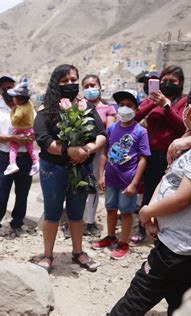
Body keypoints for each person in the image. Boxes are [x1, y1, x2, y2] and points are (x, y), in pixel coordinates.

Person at [108, 79, 191, 316]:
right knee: (179, 296)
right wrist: (152, 215)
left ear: (189, 110)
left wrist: (147, 212)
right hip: (175, 242)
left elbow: (183, 198)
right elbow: (169, 180)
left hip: (177, 248)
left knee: (135, 300)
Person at [33, 64, 106, 273]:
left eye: (74, 80)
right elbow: (44, 140)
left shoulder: (86, 107)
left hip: (80, 169)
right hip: (53, 169)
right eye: (65, 81)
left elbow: (101, 134)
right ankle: (48, 255)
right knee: (52, 212)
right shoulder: (47, 109)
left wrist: (87, 148)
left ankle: (78, 251)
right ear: (56, 84)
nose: (70, 84)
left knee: (76, 212)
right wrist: (69, 151)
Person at [130, 65, 187, 245]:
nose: (168, 84)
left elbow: (183, 126)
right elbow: (135, 117)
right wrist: (152, 104)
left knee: (168, 194)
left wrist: (166, 107)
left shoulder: (184, 102)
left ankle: (165, 233)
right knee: (148, 194)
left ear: (181, 84)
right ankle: (142, 229)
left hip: (173, 156)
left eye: (173, 81)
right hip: (151, 154)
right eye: (164, 81)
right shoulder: (151, 99)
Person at [91, 89, 150, 260]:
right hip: (111, 179)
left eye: (129, 105)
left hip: (128, 181)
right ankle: (110, 236)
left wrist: (134, 184)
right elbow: (104, 152)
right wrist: (101, 175)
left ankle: (123, 242)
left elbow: (143, 159)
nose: (124, 108)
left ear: (136, 109)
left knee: (125, 212)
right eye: (121, 105)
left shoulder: (140, 132)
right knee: (110, 208)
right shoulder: (111, 129)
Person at [0, 75, 34, 242]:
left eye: (9, 87)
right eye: (3, 89)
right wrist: (13, 139)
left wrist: (30, 138)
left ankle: (17, 223)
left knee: (22, 193)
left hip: (25, 157)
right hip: (6, 158)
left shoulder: (27, 106)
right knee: (1, 193)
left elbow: (34, 126)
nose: (6, 91)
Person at [81, 74, 117, 237]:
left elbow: (109, 133)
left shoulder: (108, 109)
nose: (90, 89)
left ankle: (90, 221)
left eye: (93, 85)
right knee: (76, 186)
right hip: (79, 153)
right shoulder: (79, 106)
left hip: (97, 155)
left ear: (100, 86)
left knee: (93, 188)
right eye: (86, 86)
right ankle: (74, 220)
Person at [3, 78, 39, 176]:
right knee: (30, 148)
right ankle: (35, 163)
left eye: (14, 97)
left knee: (13, 146)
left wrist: (12, 111)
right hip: (29, 130)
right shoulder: (29, 104)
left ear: (20, 99)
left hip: (20, 130)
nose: (12, 99)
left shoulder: (19, 110)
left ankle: (12, 163)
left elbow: (14, 121)